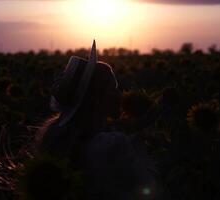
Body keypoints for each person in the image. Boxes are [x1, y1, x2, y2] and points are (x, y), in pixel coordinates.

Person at [37, 41, 158, 200]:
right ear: (96, 98)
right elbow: (149, 186)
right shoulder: (112, 145)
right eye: (112, 90)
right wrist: (141, 144)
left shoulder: (57, 137)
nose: (120, 96)